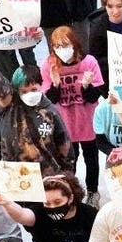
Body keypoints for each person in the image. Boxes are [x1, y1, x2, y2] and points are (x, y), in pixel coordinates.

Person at [41, 26, 104, 200]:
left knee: (92, 160)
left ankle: (93, 192)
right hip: (65, 125)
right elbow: (50, 100)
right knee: (69, 162)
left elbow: (93, 97)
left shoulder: (89, 62)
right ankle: (72, 193)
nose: (62, 50)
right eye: (57, 46)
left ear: (74, 43)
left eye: (66, 44)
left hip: (88, 122)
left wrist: (86, 87)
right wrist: (55, 85)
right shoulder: (49, 64)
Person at [0, 62, 73, 174]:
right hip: (17, 172)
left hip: (47, 173)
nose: (29, 94)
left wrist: (68, 173)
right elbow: (1, 88)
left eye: (33, 89)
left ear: (40, 86)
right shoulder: (9, 108)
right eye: (24, 91)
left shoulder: (50, 112)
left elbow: (64, 143)